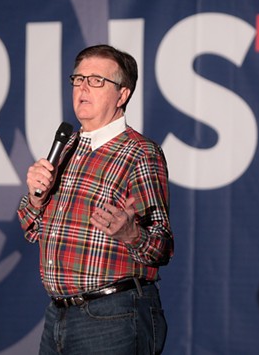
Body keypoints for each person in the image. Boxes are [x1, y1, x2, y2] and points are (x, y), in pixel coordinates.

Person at [17, 44, 174, 354]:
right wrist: (36, 199)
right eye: (78, 79)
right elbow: (33, 230)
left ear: (122, 94)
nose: (83, 87)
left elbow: (162, 246)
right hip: (59, 315)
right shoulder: (67, 146)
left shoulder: (140, 152)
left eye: (96, 80)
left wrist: (130, 233)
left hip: (112, 316)